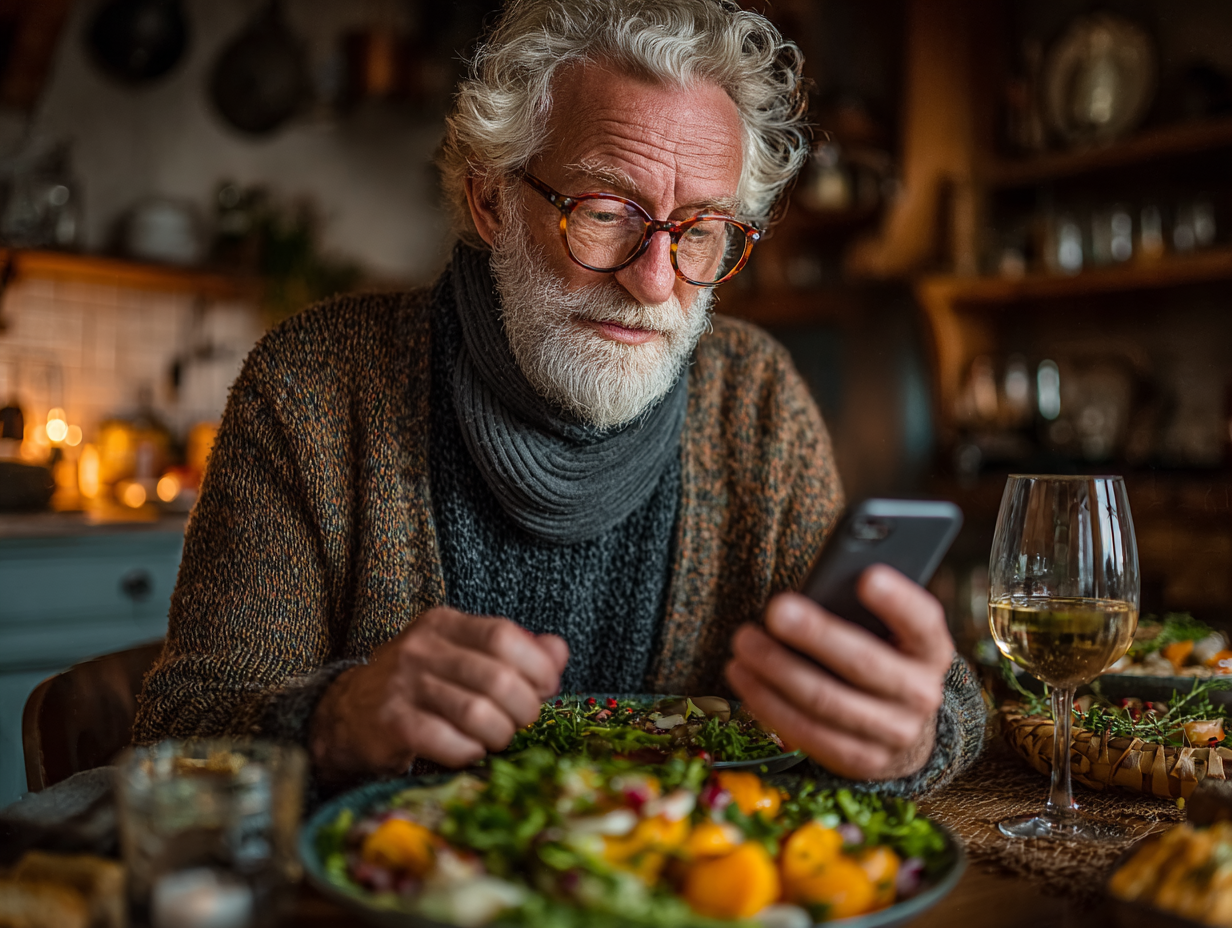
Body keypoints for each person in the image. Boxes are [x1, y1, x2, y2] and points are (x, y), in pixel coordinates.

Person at [134, 0, 984, 795]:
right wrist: (331, 720)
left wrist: (913, 732)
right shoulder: (313, 385)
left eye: (700, 231)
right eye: (608, 209)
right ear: (492, 198)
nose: (655, 284)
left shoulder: (754, 398)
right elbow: (175, 737)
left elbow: (945, 700)